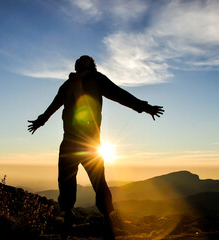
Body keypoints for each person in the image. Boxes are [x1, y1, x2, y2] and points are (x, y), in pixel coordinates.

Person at [28, 55, 164, 239]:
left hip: (90, 143)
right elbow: (54, 105)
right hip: (69, 142)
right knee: (65, 181)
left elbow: (119, 94)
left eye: (86, 60)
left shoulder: (97, 79)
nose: (82, 61)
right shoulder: (68, 84)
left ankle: (108, 217)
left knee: (99, 182)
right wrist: (40, 121)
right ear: (77, 65)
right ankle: (69, 215)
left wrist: (144, 107)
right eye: (80, 60)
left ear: (92, 66)